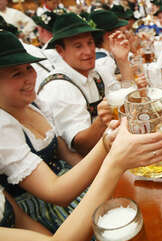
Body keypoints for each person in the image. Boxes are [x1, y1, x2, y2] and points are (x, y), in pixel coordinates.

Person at [0, 118, 162, 241]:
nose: (28, 78)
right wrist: (114, 162)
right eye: (15, 74)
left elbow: (21, 219)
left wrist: (107, 143)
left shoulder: (32, 107)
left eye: (29, 69)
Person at [37, 13, 115, 156]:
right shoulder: (58, 87)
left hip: (109, 149)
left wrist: (123, 61)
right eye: (78, 46)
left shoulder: (97, 72)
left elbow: (126, 103)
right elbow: (81, 145)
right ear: (61, 51)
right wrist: (101, 121)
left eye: (90, 43)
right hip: (84, 166)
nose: (88, 51)